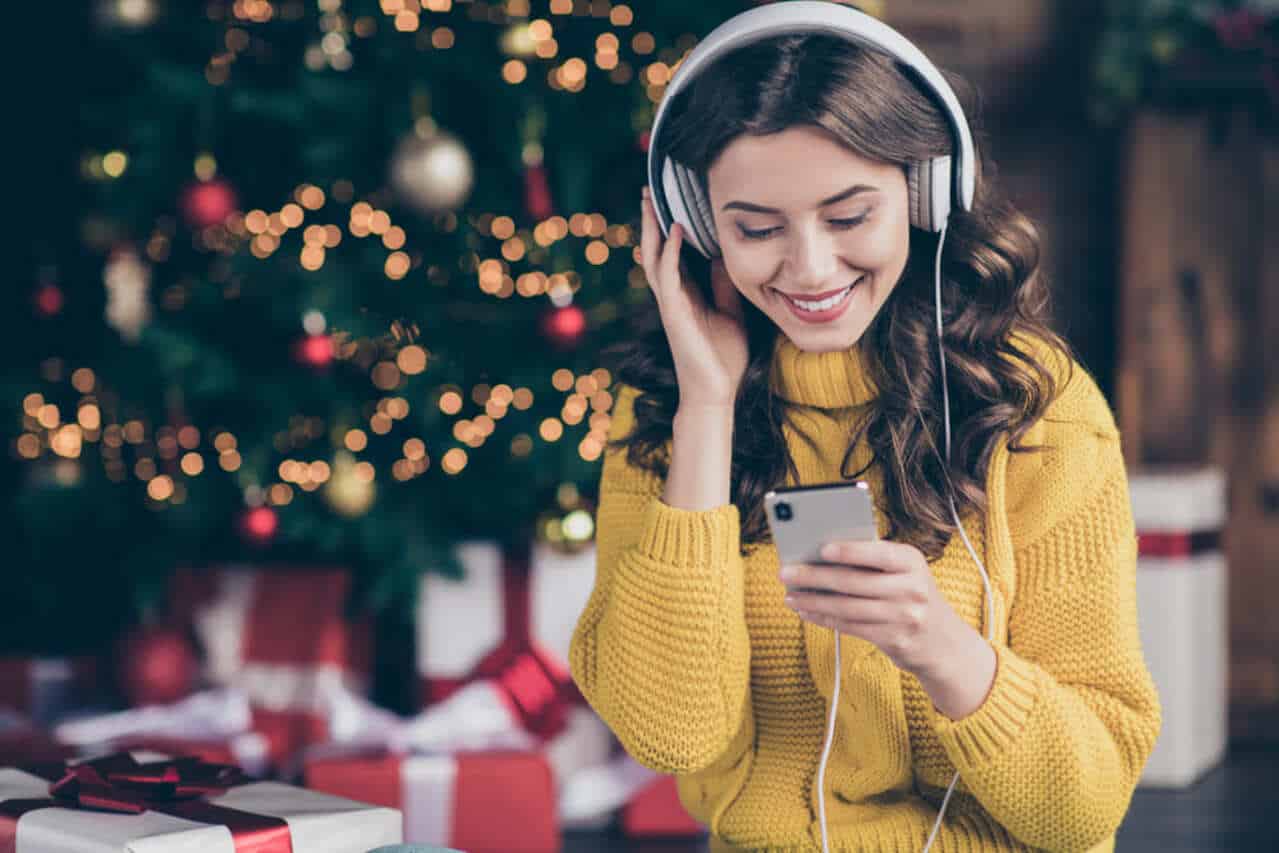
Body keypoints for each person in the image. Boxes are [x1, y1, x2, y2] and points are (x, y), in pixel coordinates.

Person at [568, 8, 1162, 852]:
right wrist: (707, 405)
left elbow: (1084, 811)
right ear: (697, 226)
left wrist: (939, 645)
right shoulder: (668, 406)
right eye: (756, 228)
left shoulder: (1035, 403)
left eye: (848, 217)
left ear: (923, 195)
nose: (809, 269)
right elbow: (671, 735)